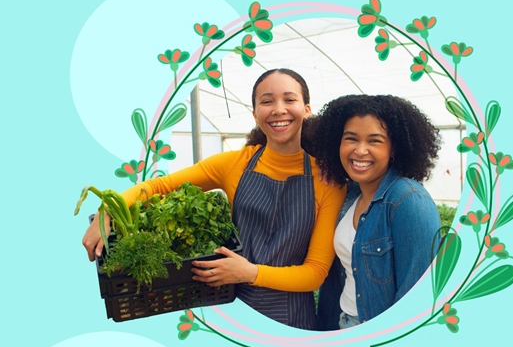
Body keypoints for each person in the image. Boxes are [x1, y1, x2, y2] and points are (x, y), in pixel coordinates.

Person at [82, 68, 346, 330]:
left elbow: (315, 273)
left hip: (292, 320)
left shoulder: (327, 181)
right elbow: (159, 186)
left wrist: (249, 272)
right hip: (228, 307)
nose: (278, 109)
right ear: (255, 114)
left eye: (289, 99)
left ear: (307, 109)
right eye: (267, 101)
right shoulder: (234, 163)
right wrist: (108, 210)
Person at [313, 94, 442, 330]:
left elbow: (417, 299)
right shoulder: (350, 195)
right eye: (350, 139)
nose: (360, 150)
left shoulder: (409, 201)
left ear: (394, 148)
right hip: (342, 323)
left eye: (375, 141)